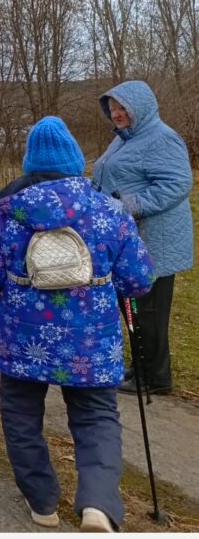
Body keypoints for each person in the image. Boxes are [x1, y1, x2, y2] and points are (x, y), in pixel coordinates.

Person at [0, 117, 154, 532]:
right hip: (92, 341)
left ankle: (43, 502)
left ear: (29, 165)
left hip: (23, 339)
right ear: (76, 163)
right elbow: (138, 280)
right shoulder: (111, 212)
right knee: (96, 417)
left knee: (20, 415)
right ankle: (98, 506)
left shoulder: (1, 213)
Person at [92, 81, 194, 396]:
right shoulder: (123, 139)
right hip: (128, 240)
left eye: (123, 108)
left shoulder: (161, 138)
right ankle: (142, 366)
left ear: (141, 107)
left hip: (154, 240)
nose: (117, 114)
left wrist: (129, 205)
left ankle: (156, 377)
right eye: (113, 108)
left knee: (147, 310)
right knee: (132, 307)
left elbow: (177, 183)